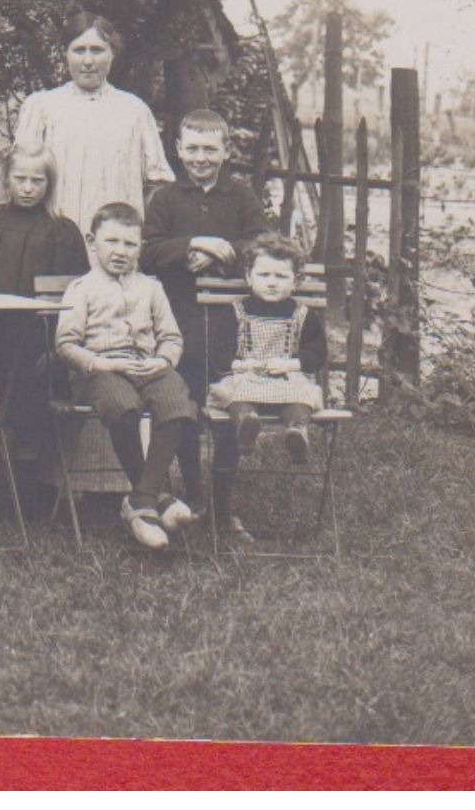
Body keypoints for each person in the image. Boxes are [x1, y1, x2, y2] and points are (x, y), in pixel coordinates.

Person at [141, 109, 269, 521]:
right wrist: (192, 244)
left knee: (228, 411)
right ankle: (192, 495)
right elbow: (147, 251)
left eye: (210, 149)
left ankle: (223, 504)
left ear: (226, 151)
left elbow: (261, 243)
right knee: (187, 409)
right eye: (192, 148)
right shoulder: (165, 198)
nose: (201, 158)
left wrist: (221, 251)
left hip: (229, 328)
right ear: (177, 150)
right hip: (180, 324)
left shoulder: (242, 196)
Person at [54, 202, 199, 550]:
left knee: (178, 403)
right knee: (123, 407)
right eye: (112, 242)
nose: (120, 251)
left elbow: (171, 337)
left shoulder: (151, 287)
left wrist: (163, 361)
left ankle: (142, 499)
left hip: (148, 366)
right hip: (103, 369)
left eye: (130, 244)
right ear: (92, 241)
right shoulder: (82, 288)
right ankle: (154, 498)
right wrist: (102, 365)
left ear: (141, 247)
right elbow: (65, 344)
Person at [0, 145, 91, 459]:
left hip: (34, 342)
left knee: (29, 412)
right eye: (20, 178)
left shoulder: (61, 230)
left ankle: (25, 491)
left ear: (49, 183)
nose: (27, 187)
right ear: (6, 179)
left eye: (37, 180)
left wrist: (54, 346)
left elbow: (75, 295)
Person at [206, 232, 328, 526]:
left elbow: (316, 351)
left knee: (302, 392)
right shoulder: (235, 311)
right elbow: (218, 350)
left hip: (285, 378)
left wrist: (292, 363)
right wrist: (240, 363)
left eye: (281, 276)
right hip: (246, 377)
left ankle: (296, 430)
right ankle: (246, 422)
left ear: (296, 281)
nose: (272, 282)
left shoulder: (302, 315)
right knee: (236, 391)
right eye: (264, 274)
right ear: (249, 277)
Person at [12, 10, 175, 222]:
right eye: (79, 50)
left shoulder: (134, 111)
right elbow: (21, 179)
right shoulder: (41, 107)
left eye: (97, 50)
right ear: (65, 54)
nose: (88, 61)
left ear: (112, 53)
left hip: (115, 244)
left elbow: (158, 184)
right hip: (53, 238)